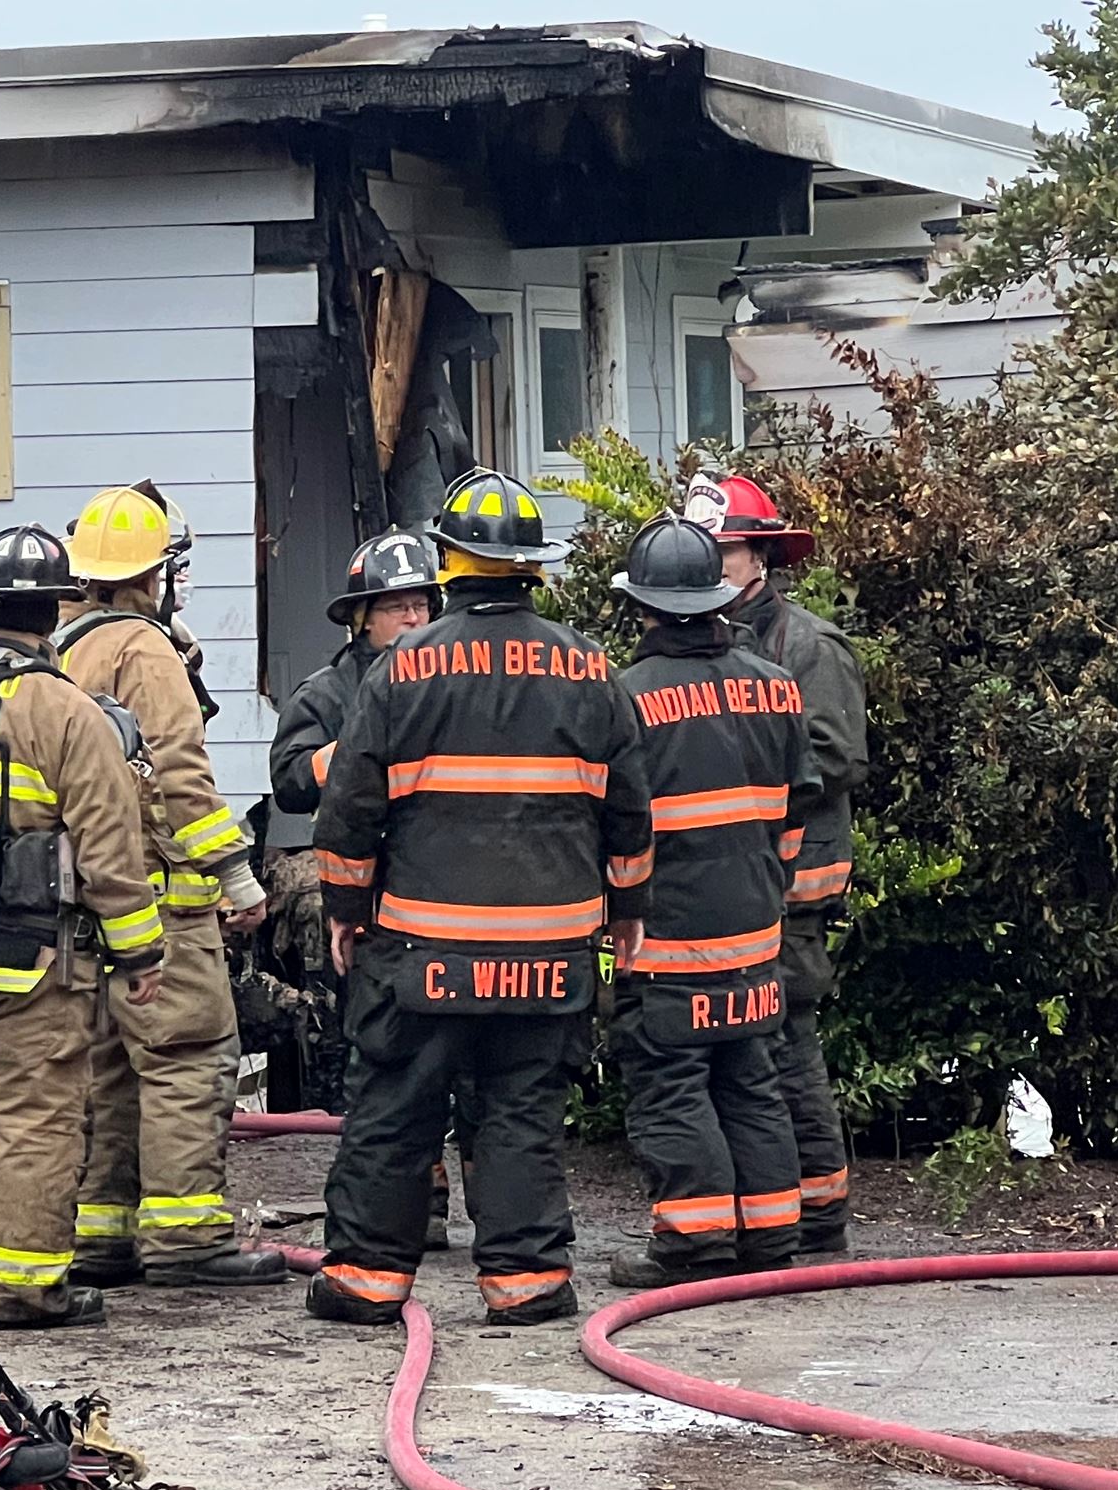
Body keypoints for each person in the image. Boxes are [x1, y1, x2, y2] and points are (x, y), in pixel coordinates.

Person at [307, 469, 654, 1327]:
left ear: (450, 561)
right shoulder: (591, 668)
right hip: (549, 954)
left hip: (421, 948)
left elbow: (350, 810)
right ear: (530, 564)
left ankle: (365, 1283)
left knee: (396, 1109)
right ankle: (527, 1284)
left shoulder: (402, 669)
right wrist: (628, 912)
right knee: (521, 1114)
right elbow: (628, 811)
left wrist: (346, 913)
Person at [0, 525, 169, 1328]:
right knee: (37, 1124)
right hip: (32, 958)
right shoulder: (65, 711)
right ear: (53, 611)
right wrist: (139, 949)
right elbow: (109, 846)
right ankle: (20, 1287)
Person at [57, 484, 285, 1289]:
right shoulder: (144, 649)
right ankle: (189, 1236)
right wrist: (237, 876)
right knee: (188, 1057)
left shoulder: (62, 646)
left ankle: (104, 1235)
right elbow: (180, 776)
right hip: (164, 903)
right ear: (155, 573)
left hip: (87, 904)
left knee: (109, 1069)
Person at [606, 515, 820, 1288]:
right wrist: (769, 889)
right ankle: (771, 1232)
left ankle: (695, 1242)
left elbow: (620, 823)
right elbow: (797, 810)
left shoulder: (627, 696)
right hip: (758, 931)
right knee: (749, 1078)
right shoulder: (775, 682)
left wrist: (615, 912)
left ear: (645, 606)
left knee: (671, 1085)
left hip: (667, 939)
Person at [685, 472, 868, 1253]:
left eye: (722, 553)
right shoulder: (703, 641)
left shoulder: (808, 646)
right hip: (736, 884)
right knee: (745, 1054)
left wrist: (737, 777)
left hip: (793, 886)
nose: (712, 568)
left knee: (786, 1042)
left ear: (760, 556)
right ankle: (769, 1208)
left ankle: (820, 1210)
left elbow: (836, 755)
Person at [267, 529, 455, 1247]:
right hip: (366, 900)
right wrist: (356, 757)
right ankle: (409, 1193)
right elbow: (289, 778)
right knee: (381, 1051)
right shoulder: (331, 692)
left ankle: (435, 1185)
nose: (412, 619)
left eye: (421, 604)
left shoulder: (455, 679)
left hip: (442, 894)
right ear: (361, 616)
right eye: (396, 605)